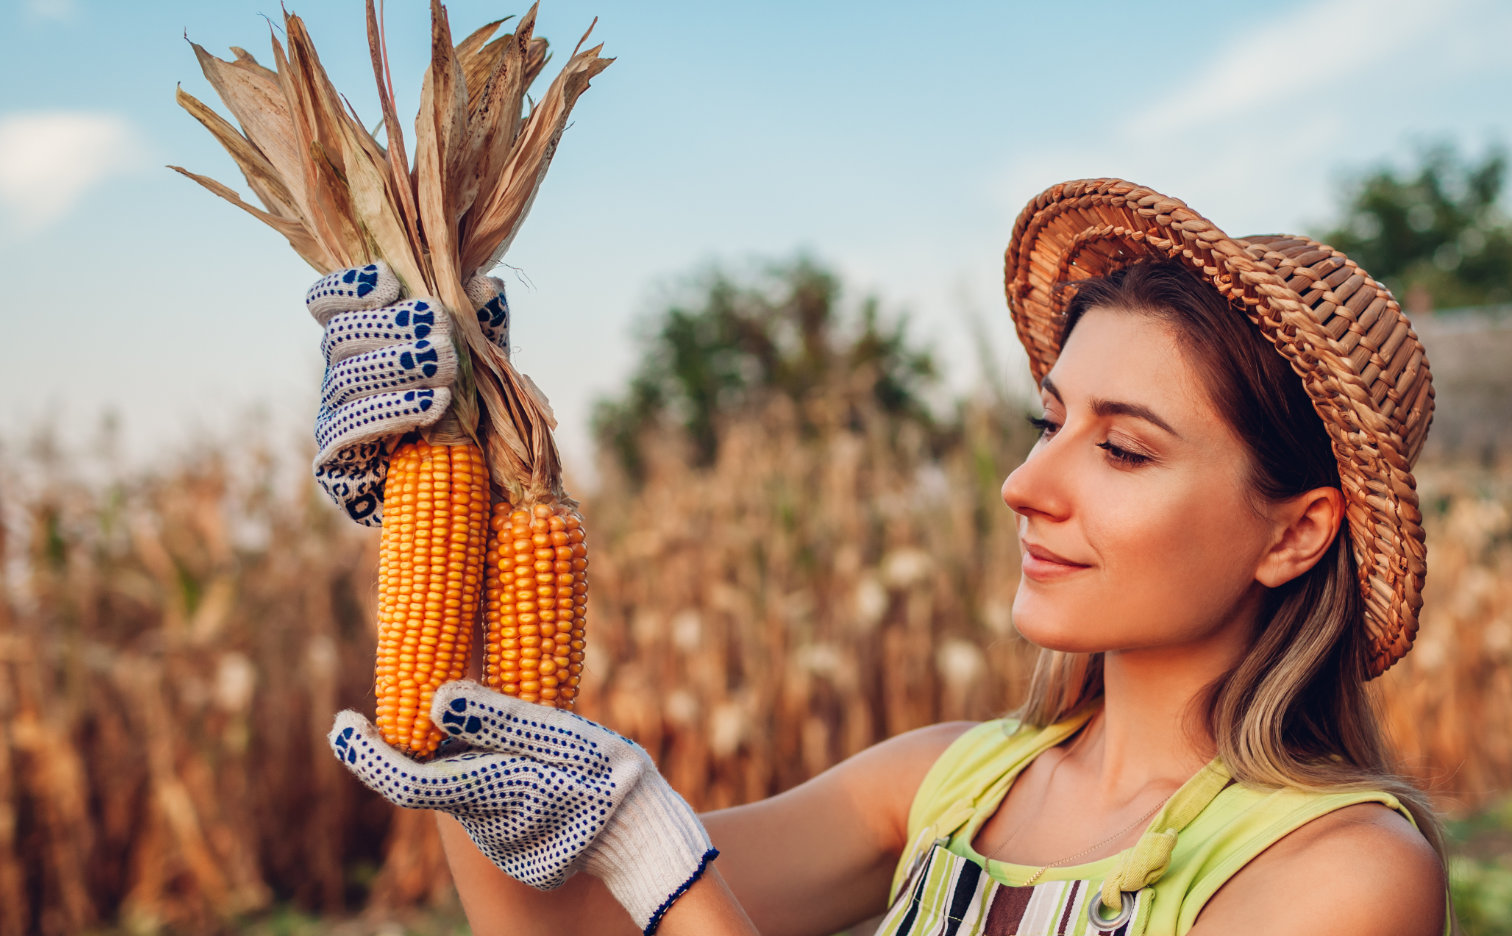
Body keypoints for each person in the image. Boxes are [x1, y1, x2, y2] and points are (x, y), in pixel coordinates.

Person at [315, 178, 1452, 935]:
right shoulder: (946, 784)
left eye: (1122, 448)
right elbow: (576, 926)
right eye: (1045, 424)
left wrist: (659, 854)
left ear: (1296, 530)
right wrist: (442, 489)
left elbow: (657, 897)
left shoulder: (1343, 875)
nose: (1025, 485)